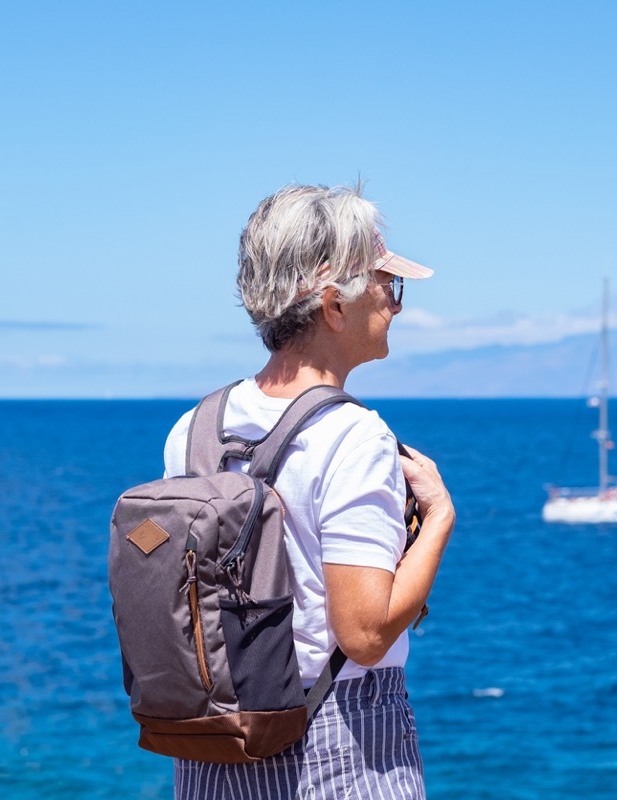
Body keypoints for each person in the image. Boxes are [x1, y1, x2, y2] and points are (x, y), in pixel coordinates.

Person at [162, 184, 456, 799]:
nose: (396, 305)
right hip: (337, 746)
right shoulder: (352, 433)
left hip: (214, 745)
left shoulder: (195, 428)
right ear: (333, 304)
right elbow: (366, 635)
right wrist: (437, 521)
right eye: (387, 285)